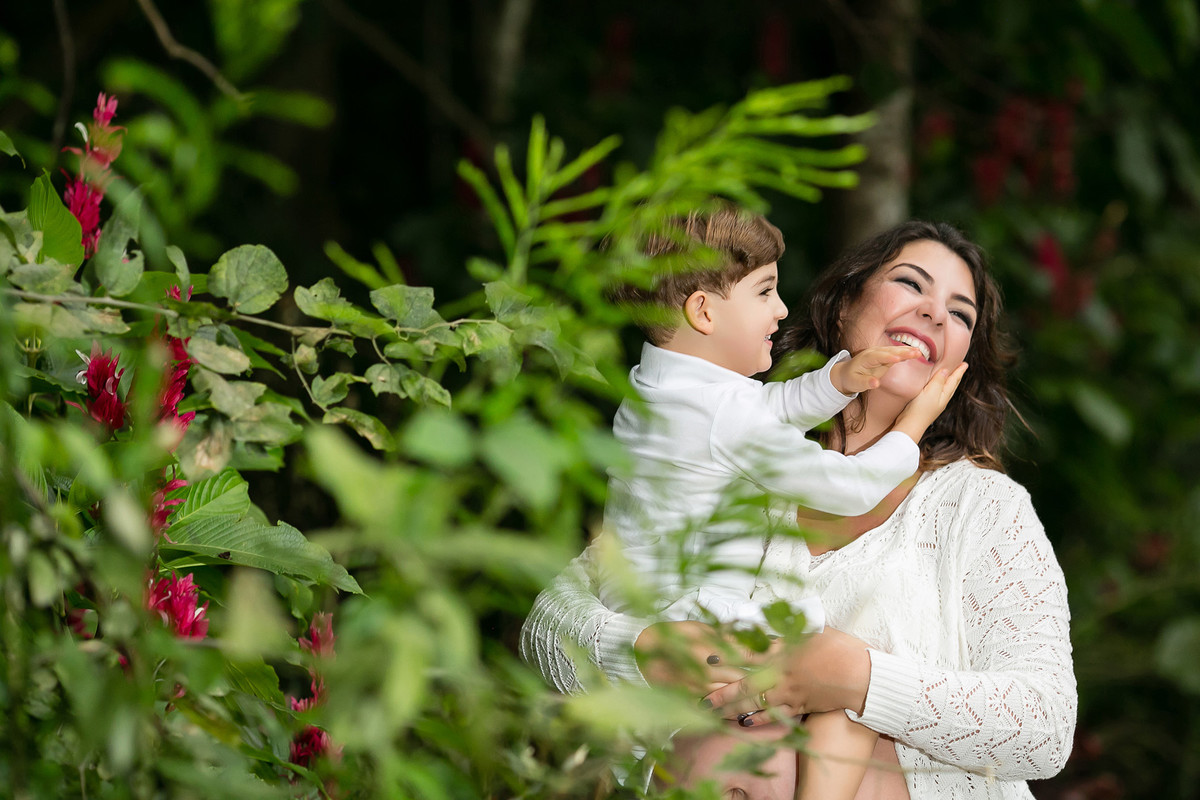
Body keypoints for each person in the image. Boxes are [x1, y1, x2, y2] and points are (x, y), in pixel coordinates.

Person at [520, 220, 1077, 800]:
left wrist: (860, 679)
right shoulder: (720, 450)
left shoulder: (983, 508)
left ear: (962, 360)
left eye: (960, 314)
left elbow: (1047, 727)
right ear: (843, 308)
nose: (936, 314)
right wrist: (640, 648)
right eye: (912, 284)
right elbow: (545, 629)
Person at [595, 207, 966, 799]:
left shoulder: (663, 389)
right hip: (705, 626)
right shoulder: (721, 418)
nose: (782, 309)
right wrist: (911, 431)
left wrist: (839, 381)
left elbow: (762, 411)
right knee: (845, 687)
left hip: (659, 621)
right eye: (765, 291)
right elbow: (845, 485)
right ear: (705, 311)